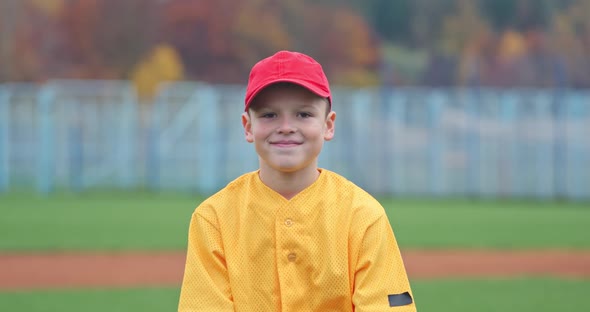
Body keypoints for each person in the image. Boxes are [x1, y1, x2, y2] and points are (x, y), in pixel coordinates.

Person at [178, 50, 416, 311]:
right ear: (248, 127)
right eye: (269, 115)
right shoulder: (214, 220)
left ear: (328, 125)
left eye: (303, 114)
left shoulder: (362, 216)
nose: (286, 126)